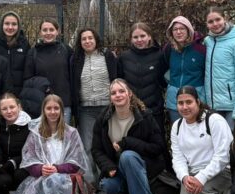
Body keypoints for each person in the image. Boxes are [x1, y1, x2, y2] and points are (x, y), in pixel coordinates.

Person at [91, 79, 165, 194]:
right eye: (113, 93)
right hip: (118, 169)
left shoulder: (144, 116)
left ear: (130, 94)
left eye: (121, 91)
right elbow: (96, 149)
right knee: (108, 185)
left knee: (128, 156)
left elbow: (158, 147)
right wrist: (109, 167)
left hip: (144, 165)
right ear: (110, 97)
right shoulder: (103, 118)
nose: (118, 95)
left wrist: (128, 143)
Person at [15, 94, 94, 194]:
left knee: (55, 183)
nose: (53, 112)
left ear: (61, 111)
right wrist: (41, 169)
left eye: (56, 108)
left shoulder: (71, 133)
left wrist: (57, 169)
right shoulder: (35, 133)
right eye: (49, 108)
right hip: (42, 178)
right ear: (44, 111)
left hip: (65, 178)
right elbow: (29, 160)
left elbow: (76, 161)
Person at [170, 86, 233, 194]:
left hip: (222, 172)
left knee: (201, 188)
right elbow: (178, 158)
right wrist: (185, 177)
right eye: (181, 103)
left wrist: (201, 177)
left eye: (189, 102)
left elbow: (223, 156)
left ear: (198, 102)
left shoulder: (213, 120)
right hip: (193, 174)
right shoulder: (177, 126)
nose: (185, 107)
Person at [70, 27, 117, 155]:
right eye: (83, 39)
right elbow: (74, 84)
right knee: (88, 146)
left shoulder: (107, 55)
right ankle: (91, 176)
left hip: (108, 107)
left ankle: (110, 174)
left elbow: (116, 78)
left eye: (90, 38)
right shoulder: (75, 59)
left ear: (96, 39)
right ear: (80, 42)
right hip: (86, 110)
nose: (87, 41)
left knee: (109, 144)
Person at [204, 7, 235, 129]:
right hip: (212, 106)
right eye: (210, 21)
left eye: (218, 19)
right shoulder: (207, 42)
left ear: (225, 19)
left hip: (232, 106)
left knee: (231, 143)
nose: (215, 24)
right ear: (206, 24)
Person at [117, 22, 168, 132]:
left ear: (149, 36)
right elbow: (120, 82)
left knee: (157, 145)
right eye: (135, 37)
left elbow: (163, 81)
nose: (139, 40)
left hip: (154, 110)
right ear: (131, 39)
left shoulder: (159, 55)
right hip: (131, 111)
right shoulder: (124, 57)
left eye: (142, 36)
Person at [23, 19, 73, 123]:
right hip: (41, 105)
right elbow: (28, 79)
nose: (48, 33)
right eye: (45, 30)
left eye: (51, 29)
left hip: (64, 104)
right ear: (40, 32)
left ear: (57, 31)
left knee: (62, 137)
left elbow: (74, 75)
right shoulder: (33, 53)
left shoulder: (66, 50)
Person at [0, 93, 32, 194]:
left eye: (12, 107)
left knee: (20, 175)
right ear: (0, 110)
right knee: (1, 180)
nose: (9, 111)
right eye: (4, 109)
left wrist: (14, 162)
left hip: (23, 164)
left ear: (19, 106)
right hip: (3, 165)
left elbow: (30, 151)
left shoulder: (30, 125)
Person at [163, 16, 206, 124]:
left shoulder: (200, 48)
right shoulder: (168, 49)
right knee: (178, 131)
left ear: (188, 30)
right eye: (175, 29)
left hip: (196, 97)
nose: (178, 32)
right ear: (171, 32)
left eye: (182, 29)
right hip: (175, 99)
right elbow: (163, 69)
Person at [0, 11, 31, 96]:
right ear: (1, 25)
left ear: (18, 26)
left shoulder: (24, 43)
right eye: (7, 23)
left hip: (19, 93)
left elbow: (28, 70)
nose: (10, 27)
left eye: (14, 24)